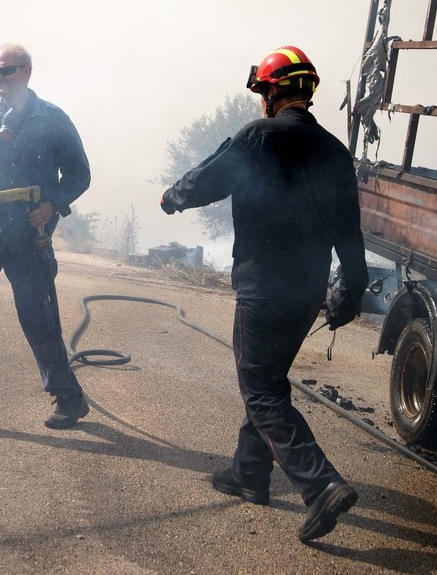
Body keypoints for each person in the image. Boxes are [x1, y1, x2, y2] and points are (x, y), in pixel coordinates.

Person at [160, 45, 368, 543]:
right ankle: (248, 473)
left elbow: (211, 178)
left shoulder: (259, 136)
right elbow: (350, 231)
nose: (261, 101)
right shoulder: (336, 152)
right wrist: (352, 288)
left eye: (263, 92)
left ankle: (321, 486)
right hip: (307, 289)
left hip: (263, 287)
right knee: (269, 379)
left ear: (273, 91)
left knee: (260, 388)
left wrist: (173, 197)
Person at [0, 43, 92, 434]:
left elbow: (78, 174)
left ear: (26, 72)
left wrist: (52, 204)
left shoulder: (53, 119)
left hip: (29, 236)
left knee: (38, 319)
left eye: (5, 71)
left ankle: (69, 398)